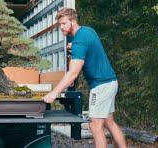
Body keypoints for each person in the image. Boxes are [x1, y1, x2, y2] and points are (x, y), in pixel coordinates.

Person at [43, 8, 127, 148]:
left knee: (95, 126)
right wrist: (74, 49)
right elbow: (88, 52)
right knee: (109, 122)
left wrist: (54, 93)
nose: (61, 27)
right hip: (110, 81)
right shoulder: (87, 31)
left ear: (73, 21)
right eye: (59, 24)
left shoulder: (79, 41)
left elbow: (73, 73)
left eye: (64, 23)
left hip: (101, 86)